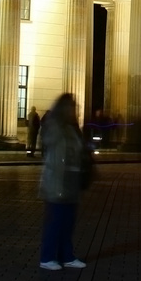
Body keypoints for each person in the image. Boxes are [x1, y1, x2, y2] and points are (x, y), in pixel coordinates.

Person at [38, 93, 90, 270]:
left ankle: (66, 256)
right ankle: (47, 257)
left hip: (71, 181)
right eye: (71, 107)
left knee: (68, 222)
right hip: (57, 181)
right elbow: (49, 144)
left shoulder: (72, 128)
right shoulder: (55, 127)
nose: (74, 110)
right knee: (56, 222)